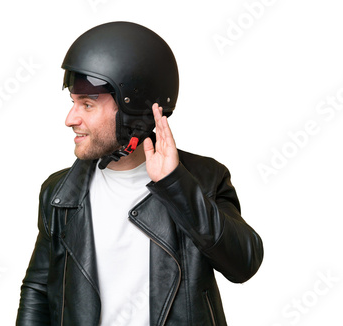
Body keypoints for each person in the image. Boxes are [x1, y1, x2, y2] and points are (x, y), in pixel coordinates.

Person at [16, 21, 263, 326]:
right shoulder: (59, 192)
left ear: (135, 114)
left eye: (87, 105)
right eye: (72, 103)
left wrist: (176, 186)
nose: (70, 119)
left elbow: (244, 264)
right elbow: (39, 290)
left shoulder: (205, 178)